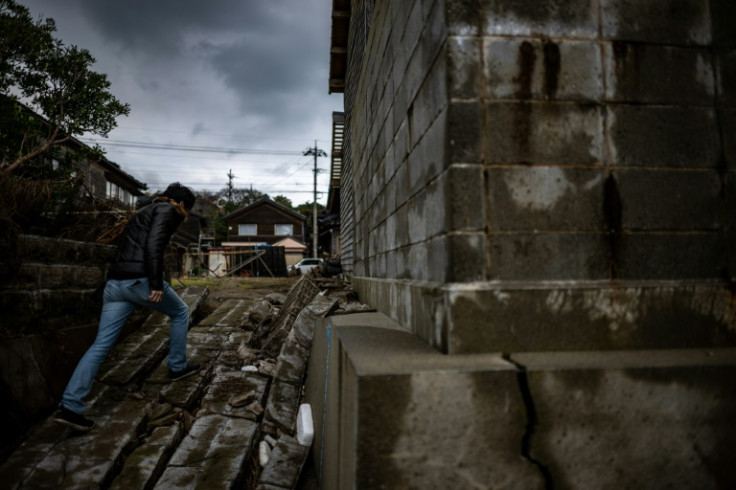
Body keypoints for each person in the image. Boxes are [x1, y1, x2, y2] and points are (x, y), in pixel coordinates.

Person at [53, 182, 200, 431]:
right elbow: (154, 246)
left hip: (115, 285)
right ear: (183, 204)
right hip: (140, 280)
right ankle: (177, 366)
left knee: (100, 345)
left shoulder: (142, 212)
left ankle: (70, 406)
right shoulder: (167, 211)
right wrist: (155, 283)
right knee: (181, 311)